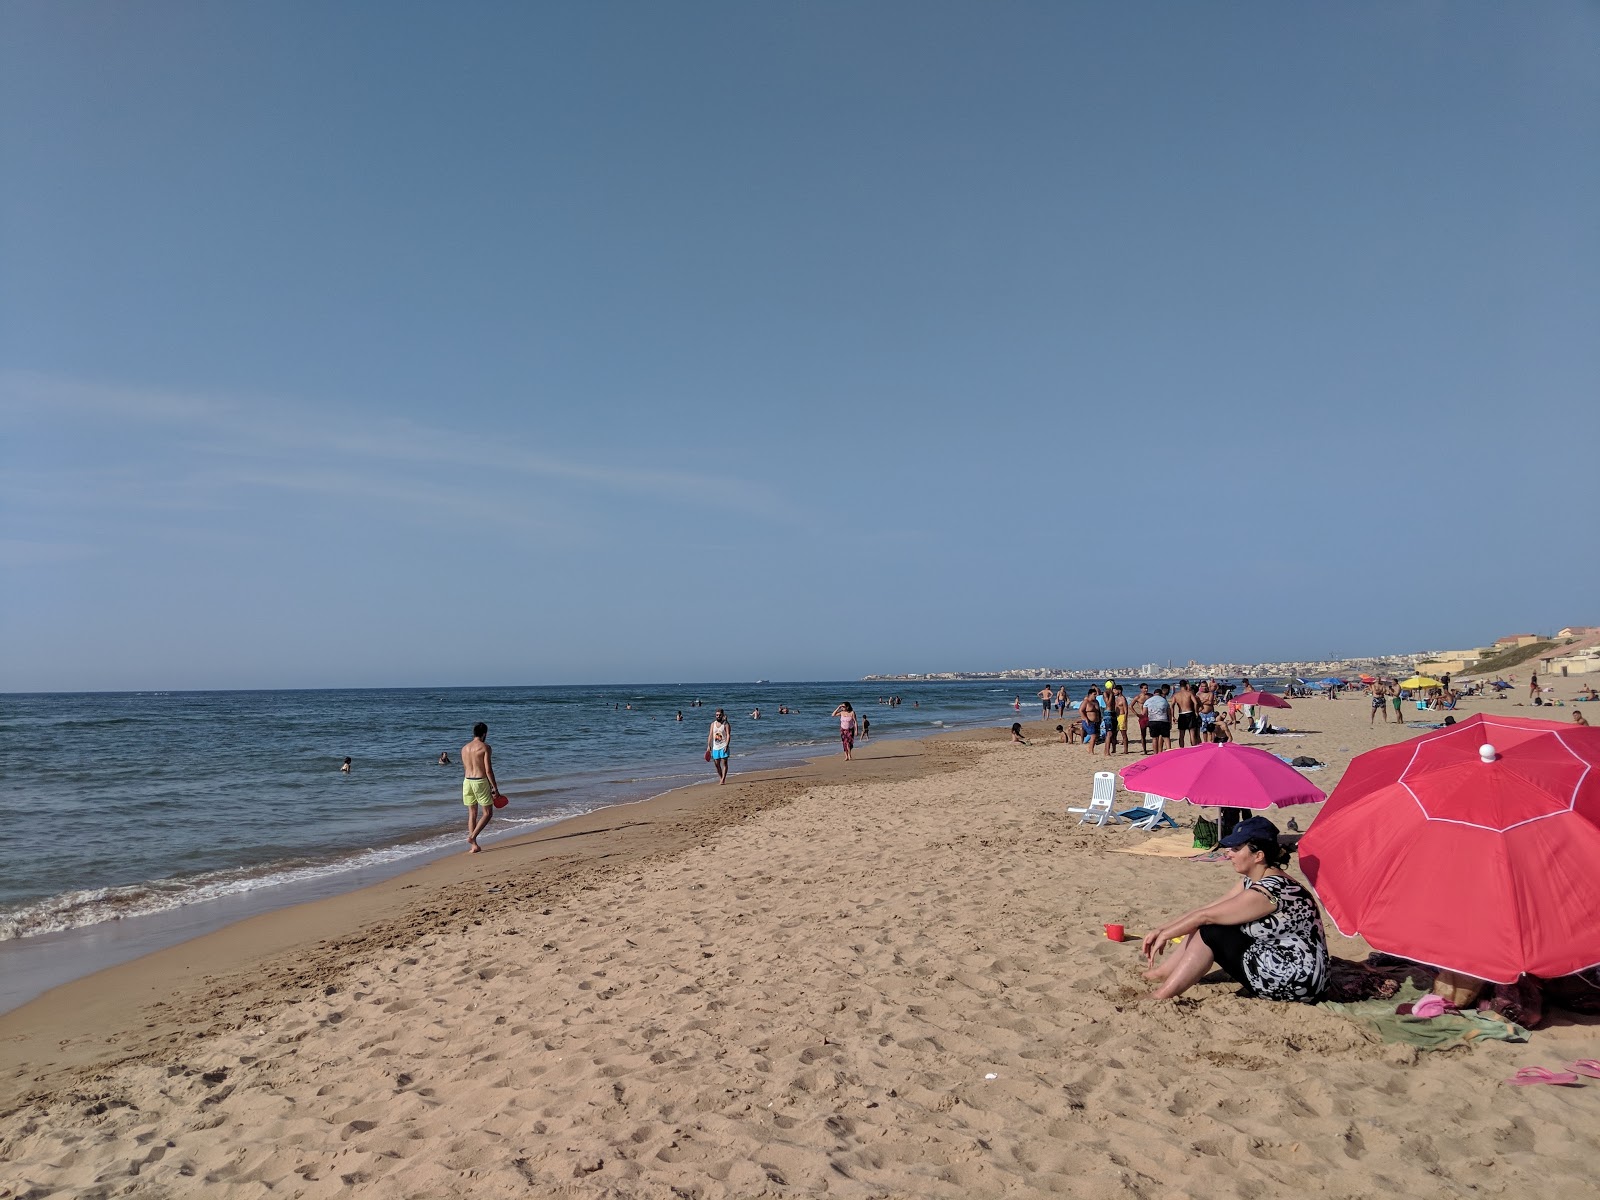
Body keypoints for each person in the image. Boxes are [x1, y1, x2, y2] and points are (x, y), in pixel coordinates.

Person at [1140, 816, 1328, 1002]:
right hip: (1286, 964)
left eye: (1237, 849)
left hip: (1298, 981)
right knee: (1211, 922)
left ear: (1258, 855)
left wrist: (1166, 935)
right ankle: (1162, 973)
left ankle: (1161, 995)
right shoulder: (1254, 880)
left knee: (1212, 930)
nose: (1229, 853)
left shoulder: (1269, 892)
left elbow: (1205, 917)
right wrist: (1162, 929)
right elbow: (1208, 909)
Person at [461, 722, 500, 854]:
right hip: (480, 781)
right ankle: (472, 837)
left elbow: (466, 768)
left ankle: (474, 846)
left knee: (472, 814)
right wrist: (495, 788)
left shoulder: (464, 748)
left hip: (467, 781)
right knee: (488, 813)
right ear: (484, 734)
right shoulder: (485, 747)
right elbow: (488, 770)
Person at [707, 708, 732, 783]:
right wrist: (708, 745)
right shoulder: (713, 724)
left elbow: (728, 735)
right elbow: (710, 735)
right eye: (717, 715)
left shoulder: (726, 724)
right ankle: (721, 777)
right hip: (715, 747)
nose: (718, 716)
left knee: (724, 763)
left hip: (723, 746)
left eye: (719, 715)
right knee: (716, 764)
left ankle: (723, 779)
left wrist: (727, 745)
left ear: (722, 715)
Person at [1172, 680, 1200, 747]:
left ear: (1179, 685)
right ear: (1186, 685)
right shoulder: (1189, 693)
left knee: (1181, 734)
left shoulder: (1176, 695)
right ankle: (1194, 748)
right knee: (1192, 733)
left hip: (1181, 714)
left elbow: (1172, 705)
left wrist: (1173, 716)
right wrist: (1196, 712)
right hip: (1190, 713)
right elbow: (1195, 703)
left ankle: (1182, 749)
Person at [1145, 685, 1172, 754]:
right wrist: (1170, 722)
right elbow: (1169, 713)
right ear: (1160, 694)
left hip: (1152, 720)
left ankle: (1155, 753)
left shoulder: (1148, 701)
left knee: (1154, 738)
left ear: (1154, 694)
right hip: (1163, 720)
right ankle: (1169, 751)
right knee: (1166, 737)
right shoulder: (1164, 701)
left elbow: (1144, 712)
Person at [1132, 684, 1151, 754]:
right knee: (1143, 734)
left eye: (1147, 688)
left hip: (1150, 716)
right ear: (1141, 689)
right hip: (1142, 716)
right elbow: (1131, 706)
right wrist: (1137, 714)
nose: (1146, 690)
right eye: (1145, 688)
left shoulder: (1150, 696)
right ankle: (1144, 750)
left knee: (1153, 733)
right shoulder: (1138, 697)